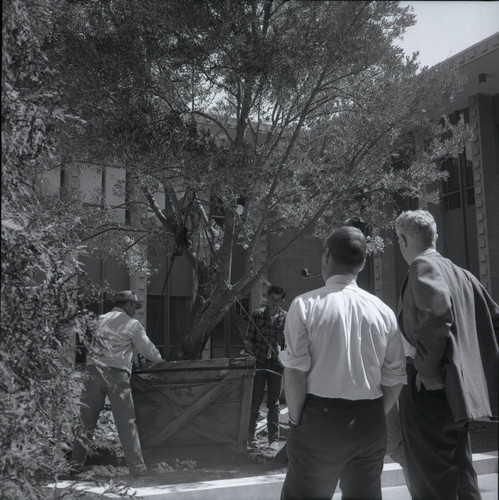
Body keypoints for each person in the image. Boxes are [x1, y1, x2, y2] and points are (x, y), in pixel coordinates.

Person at [279, 226, 406, 500]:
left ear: (326, 256)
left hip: (318, 419)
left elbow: (294, 373)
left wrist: (295, 420)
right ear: (361, 264)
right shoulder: (384, 312)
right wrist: (372, 413)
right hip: (370, 420)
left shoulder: (304, 305)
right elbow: (395, 380)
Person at [395, 209, 499, 500]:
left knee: (430, 480)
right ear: (435, 236)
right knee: (462, 475)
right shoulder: (465, 275)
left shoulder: (421, 266)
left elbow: (438, 317)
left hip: (429, 389)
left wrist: (427, 371)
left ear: (403, 239)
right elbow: (495, 321)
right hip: (457, 395)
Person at [70, 290, 163, 477]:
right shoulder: (132, 324)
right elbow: (149, 351)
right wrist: (161, 359)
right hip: (117, 375)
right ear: (127, 305)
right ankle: (137, 469)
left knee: (85, 421)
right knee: (126, 423)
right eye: (134, 307)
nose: (135, 311)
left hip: (92, 372)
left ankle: (73, 467)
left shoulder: (99, 319)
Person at [244, 284, 287, 450]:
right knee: (255, 401)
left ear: (282, 300)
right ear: (267, 298)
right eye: (272, 299)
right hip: (260, 361)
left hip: (277, 364)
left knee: (274, 403)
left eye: (278, 300)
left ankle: (273, 440)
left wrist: (285, 356)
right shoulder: (257, 315)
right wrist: (252, 351)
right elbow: (248, 340)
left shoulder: (287, 317)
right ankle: (251, 436)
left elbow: (289, 343)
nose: (275, 303)